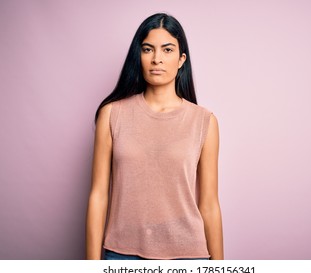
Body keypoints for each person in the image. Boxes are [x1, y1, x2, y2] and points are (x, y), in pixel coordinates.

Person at [86, 13, 223, 260]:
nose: (157, 59)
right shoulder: (112, 115)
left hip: (188, 256)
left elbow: (210, 204)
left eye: (167, 50)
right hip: (121, 254)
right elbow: (98, 195)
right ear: (138, 56)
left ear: (182, 59)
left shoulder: (204, 122)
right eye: (148, 49)